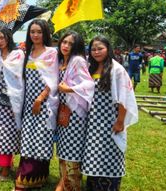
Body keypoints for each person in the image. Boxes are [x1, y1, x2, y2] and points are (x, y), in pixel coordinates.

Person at [83, 35, 139, 191]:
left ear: (108, 49)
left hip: (110, 121)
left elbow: (124, 98)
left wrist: (120, 121)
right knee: (94, 154)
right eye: (93, 49)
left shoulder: (117, 70)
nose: (96, 52)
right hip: (93, 121)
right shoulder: (90, 68)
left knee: (110, 154)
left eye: (100, 48)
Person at [15, 20, 58, 190]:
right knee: (28, 137)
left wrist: (40, 99)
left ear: (45, 33)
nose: (35, 35)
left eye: (39, 32)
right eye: (32, 32)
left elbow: (53, 78)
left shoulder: (51, 53)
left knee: (41, 138)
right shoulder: (28, 52)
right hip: (28, 103)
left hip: (44, 103)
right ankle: (28, 176)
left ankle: (33, 177)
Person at [55, 31, 94, 191]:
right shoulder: (61, 61)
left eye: (71, 44)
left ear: (76, 46)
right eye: (64, 42)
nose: (66, 46)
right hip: (64, 113)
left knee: (72, 153)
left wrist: (69, 89)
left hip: (76, 115)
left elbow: (89, 84)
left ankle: (73, 186)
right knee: (63, 150)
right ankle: (64, 183)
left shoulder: (77, 60)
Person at [0, 26, 25, 184]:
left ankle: (4, 171)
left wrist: (14, 103)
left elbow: (21, 78)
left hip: (12, 99)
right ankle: (4, 165)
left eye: (2, 37)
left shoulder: (18, 54)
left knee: (7, 134)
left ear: (8, 37)